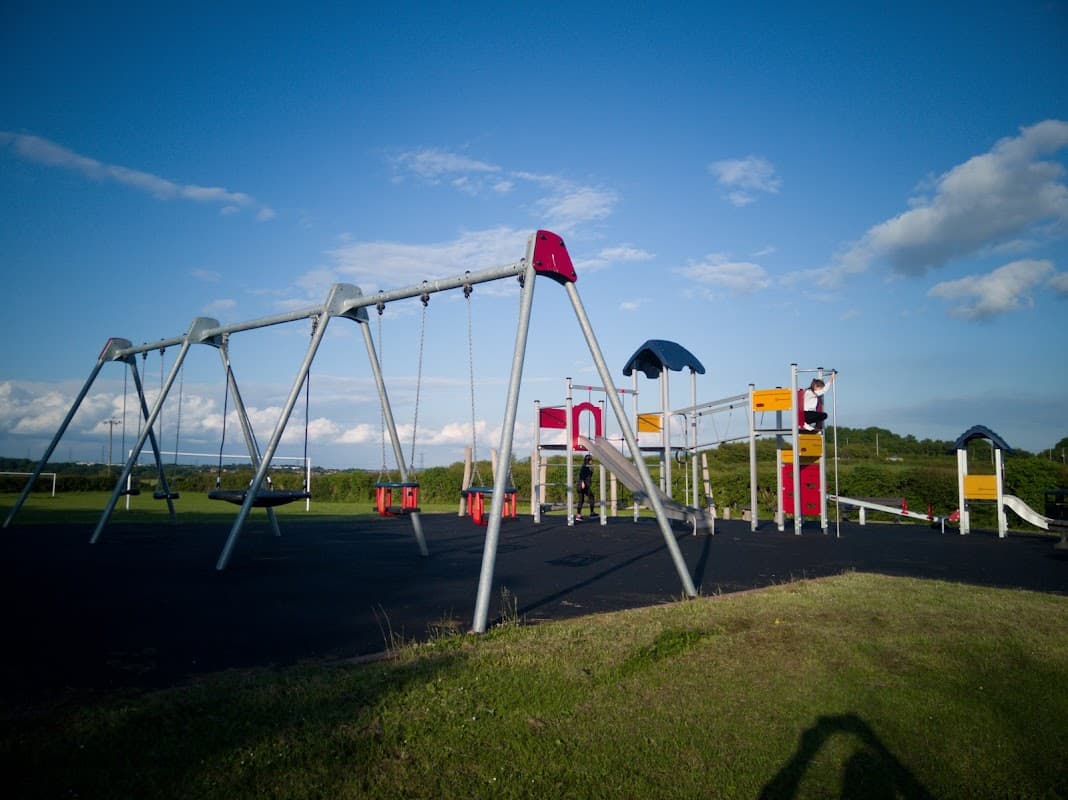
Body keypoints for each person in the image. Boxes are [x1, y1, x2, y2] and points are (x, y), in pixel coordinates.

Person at [575, 453, 594, 520]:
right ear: (588, 460)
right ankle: (592, 513)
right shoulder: (585, 467)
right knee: (591, 497)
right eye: (591, 460)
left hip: (580, 485)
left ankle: (578, 515)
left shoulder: (586, 466)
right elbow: (581, 475)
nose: (592, 461)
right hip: (584, 486)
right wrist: (583, 482)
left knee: (581, 500)